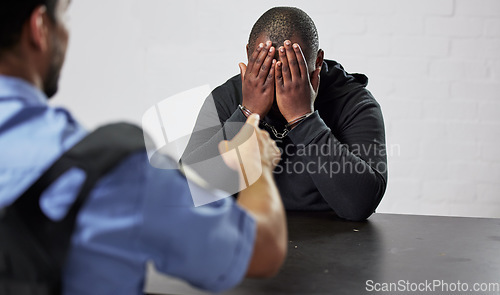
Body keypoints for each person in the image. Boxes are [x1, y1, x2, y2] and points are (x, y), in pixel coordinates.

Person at [0, 0, 287, 294]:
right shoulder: (115, 171)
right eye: (65, 17)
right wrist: (256, 164)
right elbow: (264, 249)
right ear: (40, 28)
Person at [182, 7, 388, 221]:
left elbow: (360, 205)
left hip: (335, 242)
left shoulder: (353, 101)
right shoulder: (226, 98)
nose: (281, 83)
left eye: (294, 70)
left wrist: (303, 118)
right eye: (267, 68)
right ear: (249, 55)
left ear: (317, 62)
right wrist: (247, 115)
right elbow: (185, 192)